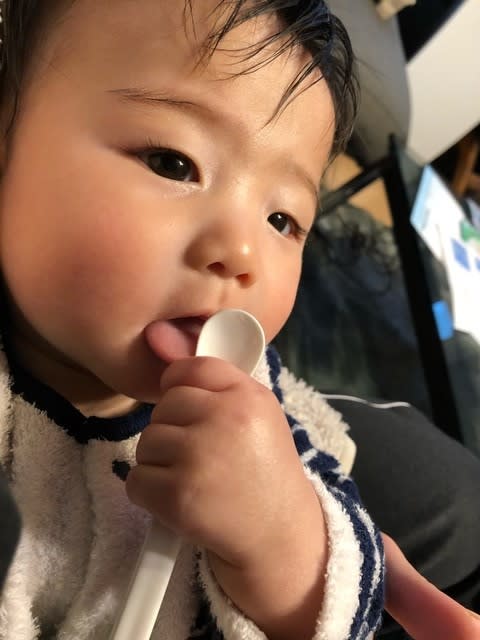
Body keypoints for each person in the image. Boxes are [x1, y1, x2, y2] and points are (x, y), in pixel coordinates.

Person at [0, 1, 478, 639]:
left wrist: (284, 551)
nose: (244, 252)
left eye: (282, 219)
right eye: (173, 162)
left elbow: (339, 571)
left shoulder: (251, 401)